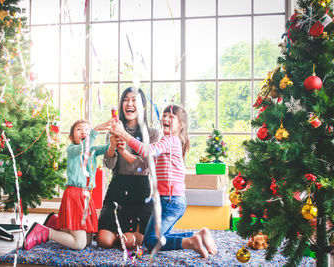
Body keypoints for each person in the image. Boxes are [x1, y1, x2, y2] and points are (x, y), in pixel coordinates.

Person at [111, 104, 217, 258]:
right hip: (170, 200)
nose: (166, 118)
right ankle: (198, 234)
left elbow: (146, 150)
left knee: (152, 242)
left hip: (170, 200)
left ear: (181, 125)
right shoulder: (166, 143)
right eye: (165, 115)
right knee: (154, 238)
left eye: (171, 117)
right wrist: (122, 151)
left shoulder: (170, 140)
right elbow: (143, 162)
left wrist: (124, 134)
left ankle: (191, 242)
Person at [24, 119, 112, 250]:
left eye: (87, 129)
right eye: (79, 129)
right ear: (71, 137)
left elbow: (107, 148)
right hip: (75, 195)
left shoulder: (92, 150)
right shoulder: (73, 150)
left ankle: (56, 222)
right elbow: (83, 147)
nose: (84, 131)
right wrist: (96, 129)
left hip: (86, 197)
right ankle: (47, 232)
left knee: (88, 241)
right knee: (79, 244)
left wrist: (112, 134)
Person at [96, 87, 160, 250]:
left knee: (131, 243)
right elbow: (109, 165)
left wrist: (124, 145)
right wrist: (111, 147)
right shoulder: (114, 130)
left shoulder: (152, 134)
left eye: (134, 100)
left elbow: (144, 164)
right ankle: (120, 233)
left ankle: (125, 235)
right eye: (125, 100)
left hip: (141, 190)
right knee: (104, 241)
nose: (129, 103)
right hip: (118, 187)